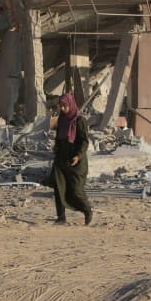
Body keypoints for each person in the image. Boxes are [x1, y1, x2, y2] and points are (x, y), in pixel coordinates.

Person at [50, 93, 93, 225]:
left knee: (76, 190)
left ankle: (87, 210)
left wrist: (78, 156)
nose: (62, 109)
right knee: (59, 187)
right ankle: (61, 217)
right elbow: (59, 137)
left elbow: (84, 141)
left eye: (65, 106)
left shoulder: (80, 121)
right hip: (61, 158)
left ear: (71, 105)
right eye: (61, 106)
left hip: (75, 161)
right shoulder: (62, 119)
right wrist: (56, 148)